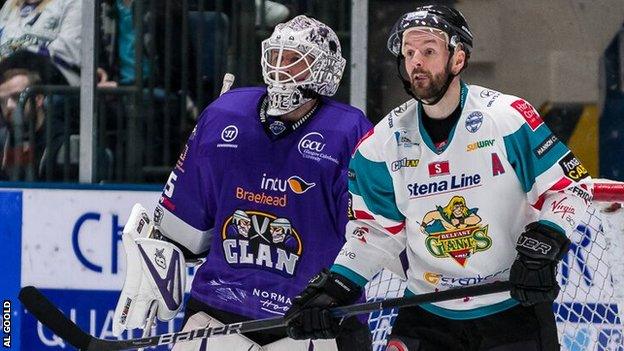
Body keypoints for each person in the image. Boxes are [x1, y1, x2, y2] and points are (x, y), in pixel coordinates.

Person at [285, 5, 593, 350]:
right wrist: (336, 287)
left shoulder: (508, 118)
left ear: (458, 59)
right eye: (409, 52)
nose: (416, 61)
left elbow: (571, 187)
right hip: (426, 315)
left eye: (428, 51)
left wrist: (544, 244)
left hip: (512, 310)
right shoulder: (380, 145)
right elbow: (373, 233)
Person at [112, 15, 373, 351]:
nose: (280, 68)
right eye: (276, 56)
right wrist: (156, 269)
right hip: (220, 312)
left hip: (314, 319)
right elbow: (185, 229)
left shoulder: (349, 133)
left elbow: (371, 235)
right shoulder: (225, 115)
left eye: (294, 60)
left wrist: (339, 293)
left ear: (323, 71)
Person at [0, 0, 82, 86]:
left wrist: (23, 56)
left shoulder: (74, 3)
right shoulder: (10, 5)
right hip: (9, 75)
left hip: (54, 80)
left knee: (22, 60)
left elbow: (66, 54)